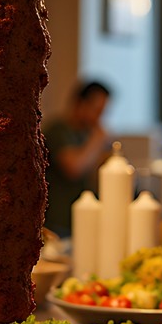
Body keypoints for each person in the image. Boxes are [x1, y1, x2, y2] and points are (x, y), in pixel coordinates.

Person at [43, 80, 111, 236]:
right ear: (80, 104)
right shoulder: (58, 130)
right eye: (96, 111)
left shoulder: (85, 135)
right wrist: (97, 139)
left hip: (79, 220)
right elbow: (74, 168)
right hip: (57, 222)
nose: (99, 118)